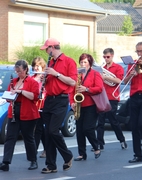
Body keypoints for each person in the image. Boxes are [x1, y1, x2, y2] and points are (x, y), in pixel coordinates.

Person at [40, 38, 77, 174]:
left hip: (61, 100)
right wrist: (45, 78)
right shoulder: (51, 62)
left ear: (52, 48)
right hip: (49, 99)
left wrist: (56, 74)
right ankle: (51, 165)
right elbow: (52, 82)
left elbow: (72, 82)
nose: (46, 52)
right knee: (48, 133)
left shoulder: (68, 61)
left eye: (47, 49)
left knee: (53, 131)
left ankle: (67, 155)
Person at [0, 60, 40, 171]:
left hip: (28, 113)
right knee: (10, 138)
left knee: (28, 138)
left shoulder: (32, 82)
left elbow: (34, 97)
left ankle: (33, 161)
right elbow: (8, 96)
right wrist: (10, 94)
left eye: (20, 71)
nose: (18, 73)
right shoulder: (14, 81)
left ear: (26, 70)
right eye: (16, 71)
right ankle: (6, 162)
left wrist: (20, 91)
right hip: (14, 112)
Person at [70, 53, 102, 161]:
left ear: (90, 63)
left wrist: (86, 89)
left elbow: (99, 88)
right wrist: (72, 102)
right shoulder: (77, 74)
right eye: (81, 62)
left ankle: (96, 146)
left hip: (91, 105)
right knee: (79, 131)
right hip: (79, 105)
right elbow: (71, 90)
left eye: (85, 62)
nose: (83, 64)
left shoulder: (95, 74)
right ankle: (82, 153)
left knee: (88, 128)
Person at [96, 48, 127, 151]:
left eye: (107, 57)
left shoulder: (118, 67)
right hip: (102, 97)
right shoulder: (102, 68)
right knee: (100, 122)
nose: (106, 59)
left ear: (112, 56)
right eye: (104, 57)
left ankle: (122, 140)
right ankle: (100, 143)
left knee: (113, 121)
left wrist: (105, 77)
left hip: (112, 97)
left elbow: (119, 80)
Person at [31, 57, 47, 158]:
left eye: (38, 66)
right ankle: (46, 148)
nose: (36, 68)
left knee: (38, 129)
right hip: (33, 106)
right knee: (39, 130)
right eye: (34, 66)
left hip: (43, 105)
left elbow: (48, 90)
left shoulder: (45, 77)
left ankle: (34, 151)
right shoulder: (32, 78)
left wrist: (44, 93)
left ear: (42, 66)